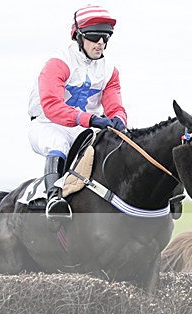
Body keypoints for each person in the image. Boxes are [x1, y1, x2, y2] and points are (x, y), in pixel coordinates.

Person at [27, 5, 128, 223]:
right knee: (59, 142)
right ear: (79, 36)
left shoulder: (110, 70)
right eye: (94, 36)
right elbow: (51, 106)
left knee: (113, 147)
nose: (101, 42)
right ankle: (54, 200)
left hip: (84, 127)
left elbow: (114, 107)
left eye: (106, 36)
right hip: (47, 124)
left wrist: (119, 120)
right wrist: (90, 119)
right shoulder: (58, 62)